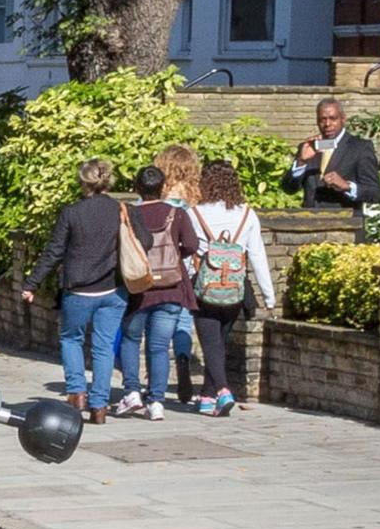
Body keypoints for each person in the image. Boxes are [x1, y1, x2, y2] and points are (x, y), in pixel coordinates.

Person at [30, 158, 132, 420]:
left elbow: (54, 251)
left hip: (78, 290)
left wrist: (32, 283)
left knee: (71, 339)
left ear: (82, 182)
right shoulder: (122, 209)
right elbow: (145, 240)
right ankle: (99, 406)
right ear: (108, 180)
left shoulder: (72, 213)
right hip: (112, 290)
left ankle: (77, 393)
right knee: (103, 346)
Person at [182, 159, 277, 416]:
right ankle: (207, 397)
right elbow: (257, 255)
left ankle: (223, 390)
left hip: (205, 286)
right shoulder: (246, 214)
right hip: (235, 288)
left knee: (210, 342)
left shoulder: (194, 213)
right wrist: (269, 296)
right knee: (219, 342)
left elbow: (187, 253)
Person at [121, 164, 198, 419]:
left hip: (139, 288)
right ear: (163, 187)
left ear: (136, 187)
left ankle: (132, 392)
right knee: (159, 346)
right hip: (170, 288)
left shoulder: (128, 214)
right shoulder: (176, 213)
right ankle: (156, 401)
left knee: (131, 340)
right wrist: (174, 256)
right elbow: (191, 244)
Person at [289, 97, 380, 215]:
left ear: (343, 119)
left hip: (346, 225)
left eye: (333, 119)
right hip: (311, 224)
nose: (327, 124)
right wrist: (301, 162)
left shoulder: (360, 148)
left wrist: (347, 186)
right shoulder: (308, 148)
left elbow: (375, 193)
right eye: (322, 119)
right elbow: (288, 189)